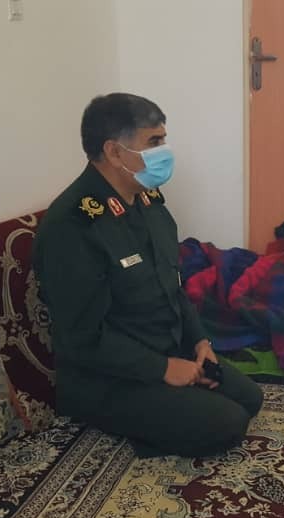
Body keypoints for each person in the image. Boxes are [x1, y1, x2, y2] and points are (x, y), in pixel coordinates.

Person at [33, 93, 263, 457]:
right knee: (227, 425)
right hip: (108, 377)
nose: (164, 152)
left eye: (163, 140)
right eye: (154, 142)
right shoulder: (73, 226)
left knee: (250, 399)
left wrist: (199, 341)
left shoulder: (147, 202)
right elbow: (82, 336)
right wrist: (162, 369)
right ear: (114, 152)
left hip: (164, 347)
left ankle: (171, 403)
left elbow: (172, 286)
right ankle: (137, 423)